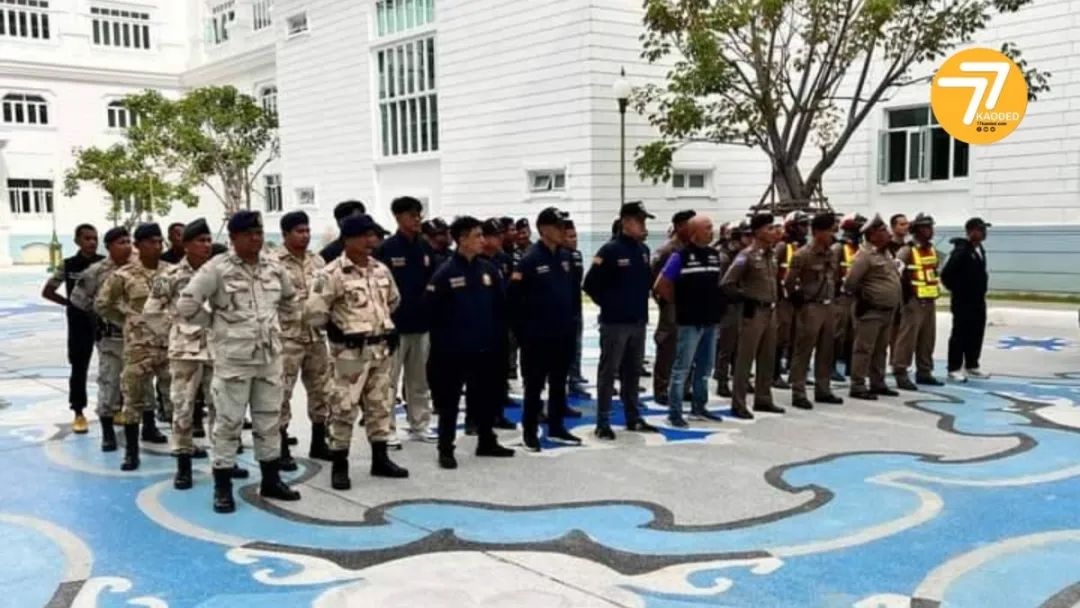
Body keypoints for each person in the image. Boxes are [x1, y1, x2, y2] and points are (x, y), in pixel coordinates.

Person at [177, 210, 301, 512]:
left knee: (269, 420)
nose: (256, 239)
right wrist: (216, 325)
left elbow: (290, 301)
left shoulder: (273, 267)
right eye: (248, 234)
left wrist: (276, 326)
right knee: (228, 423)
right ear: (233, 238)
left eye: (259, 233)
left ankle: (271, 480)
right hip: (234, 361)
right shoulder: (217, 268)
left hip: (269, 358)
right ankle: (222, 486)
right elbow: (187, 305)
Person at [305, 213, 410, 490]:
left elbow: (393, 301)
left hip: (380, 350)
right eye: (365, 235)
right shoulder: (331, 273)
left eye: (373, 235)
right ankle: (340, 465)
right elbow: (314, 313)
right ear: (348, 239)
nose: (371, 240)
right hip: (349, 355)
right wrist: (337, 328)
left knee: (380, 405)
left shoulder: (381, 270)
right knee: (343, 408)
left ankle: (380, 459)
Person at [143, 219, 250, 489]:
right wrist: (175, 332)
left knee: (223, 408)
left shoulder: (222, 272)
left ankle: (224, 461)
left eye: (208, 240)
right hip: (186, 353)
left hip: (219, 349)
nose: (206, 245)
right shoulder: (170, 276)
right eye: (200, 241)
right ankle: (183, 463)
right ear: (186, 245)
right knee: (183, 407)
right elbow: (151, 312)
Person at [426, 216, 517, 469]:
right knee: (450, 402)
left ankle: (486, 440)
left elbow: (501, 307)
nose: (482, 240)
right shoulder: (445, 272)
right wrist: (443, 345)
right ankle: (446, 448)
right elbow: (431, 311)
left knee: (486, 397)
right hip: (453, 351)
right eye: (477, 236)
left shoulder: (488, 270)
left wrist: (499, 342)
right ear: (462, 239)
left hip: (485, 348)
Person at [95, 223, 172, 471]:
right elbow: (103, 304)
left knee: (177, 399)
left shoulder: (172, 272)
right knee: (133, 400)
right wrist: (127, 320)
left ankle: (184, 447)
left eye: (160, 242)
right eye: (151, 242)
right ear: (138, 246)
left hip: (169, 346)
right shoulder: (123, 275)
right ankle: (131, 452)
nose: (157, 246)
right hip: (138, 348)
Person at [583, 201, 660, 439]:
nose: (643, 226)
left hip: (638, 321)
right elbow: (590, 284)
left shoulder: (643, 250)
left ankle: (633, 417)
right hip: (615, 323)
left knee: (633, 372)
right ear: (626, 222)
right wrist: (611, 304)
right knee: (609, 372)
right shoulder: (610, 250)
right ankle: (603, 421)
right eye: (639, 221)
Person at [508, 207, 582, 451]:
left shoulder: (566, 256)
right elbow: (514, 300)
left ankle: (557, 426)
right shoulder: (530, 259)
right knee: (534, 386)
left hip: (563, 333)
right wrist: (524, 335)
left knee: (559, 383)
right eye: (558, 227)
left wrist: (573, 323)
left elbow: (573, 293)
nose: (563, 231)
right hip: (537, 336)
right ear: (543, 229)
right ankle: (530, 432)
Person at [273, 211, 335, 468]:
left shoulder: (317, 261)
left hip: (315, 336)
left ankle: (319, 443)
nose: (305, 236)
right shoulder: (273, 262)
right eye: (299, 231)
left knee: (321, 390)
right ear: (285, 234)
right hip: (286, 338)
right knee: (281, 393)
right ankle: (281, 447)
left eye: (307, 230)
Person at [656, 215, 727, 426]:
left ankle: (699, 407)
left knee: (705, 368)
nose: (711, 231)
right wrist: (681, 303)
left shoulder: (715, 255)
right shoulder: (680, 256)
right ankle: (675, 412)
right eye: (707, 228)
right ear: (694, 232)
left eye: (712, 227)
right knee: (681, 369)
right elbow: (661, 285)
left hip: (710, 321)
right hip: (689, 322)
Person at [375, 196, 436, 445]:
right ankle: (386, 429)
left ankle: (420, 425)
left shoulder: (425, 248)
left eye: (419, 214)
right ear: (398, 217)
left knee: (419, 380)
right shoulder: (386, 250)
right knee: (388, 382)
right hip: (394, 328)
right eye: (412, 215)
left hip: (421, 325)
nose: (417, 219)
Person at [721, 213, 784, 419]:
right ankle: (738, 403)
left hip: (770, 310)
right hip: (753, 312)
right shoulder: (746, 255)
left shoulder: (771, 254)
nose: (773, 232)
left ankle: (763, 398)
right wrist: (744, 298)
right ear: (758, 231)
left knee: (767, 356)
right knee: (745, 359)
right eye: (769, 228)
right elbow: (727, 283)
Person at [41, 224, 103, 434]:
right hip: (79, 323)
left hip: (104, 322)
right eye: (87, 238)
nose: (92, 242)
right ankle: (78, 412)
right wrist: (70, 304)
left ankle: (116, 407)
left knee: (112, 366)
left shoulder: (105, 263)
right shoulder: (68, 265)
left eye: (94, 238)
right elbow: (48, 291)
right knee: (79, 368)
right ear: (77, 241)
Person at [70, 227, 128, 451]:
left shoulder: (137, 267)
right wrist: (99, 315)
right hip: (110, 337)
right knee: (109, 382)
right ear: (110, 246)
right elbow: (78, 299)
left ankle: (146, 426)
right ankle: (107, 432)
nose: (127, 246)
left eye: (129, 242)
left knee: (137, 385)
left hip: (136, 337)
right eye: (121, 242)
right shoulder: (96, 271)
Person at [785, 213, 844, 409]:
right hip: (810, 306)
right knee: (804, 350)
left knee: (827, 349)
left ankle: (823, 388)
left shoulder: (831, 253)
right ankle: (798, 391)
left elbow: (834, 278)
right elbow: (789, 281)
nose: (832, 235)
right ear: (817, 232)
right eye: (829, 231)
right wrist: (798, 300)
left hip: (829, 305)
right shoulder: (803, 254)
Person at [844, 214, 902, 400]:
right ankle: (858, 385)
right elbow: (850, 283)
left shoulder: (885, 253)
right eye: (883, 230)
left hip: (887, 310)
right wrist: (864, 298)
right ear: (872, 235)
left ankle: (878, 382)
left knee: (880, 349)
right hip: (870, 310)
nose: (888, 233)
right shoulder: (864, 256)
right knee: (864, 349)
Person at [891, 213, 944, 390]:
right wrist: (903, 297)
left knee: (927, 339)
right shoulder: (907, 250)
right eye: (925, 227)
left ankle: (924, 371)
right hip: (913, 301)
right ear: (916, 230)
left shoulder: (932, 250)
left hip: (929, 300)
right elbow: (894, 274)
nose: (930, 231)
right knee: (907, 339)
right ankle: (900, 372)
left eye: (930, 227)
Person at [650, 209, 696, 405]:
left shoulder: (691, 249)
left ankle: (683, 387)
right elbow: (655, 280)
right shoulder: (668, 251)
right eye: (690, 224)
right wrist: (667, 301)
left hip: (689, 305)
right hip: (672, 305)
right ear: (679, 226)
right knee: (668, 347)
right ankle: (662, 388)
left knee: (687, 347)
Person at [940, 217, 992, 382]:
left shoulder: (979, 249)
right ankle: (954, 368)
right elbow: (946, 274)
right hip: (963, 301)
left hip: (978, 299)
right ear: (970, 231)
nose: (984, 232)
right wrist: (958, 290)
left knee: (976, 332)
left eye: (984, 229)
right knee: (960, 333)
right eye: (980, 229)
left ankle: (972, 364)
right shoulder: (961, 250)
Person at [479, 218, 519, 430]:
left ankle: (498, 412)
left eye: (500, 234)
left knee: (500, 370)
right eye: (494, 235)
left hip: (502, 321)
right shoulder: (476, 260)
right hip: (481, 323)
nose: (500, 238)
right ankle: (475, 418)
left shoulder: (504, 259)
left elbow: (512, 288)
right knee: (479, 375)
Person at [774, 211, 810, 389]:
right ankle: (774, 374)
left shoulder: (805, 247)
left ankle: (795, 373)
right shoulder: (782, 246)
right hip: (784, 299)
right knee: (781, 337)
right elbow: (774, 272)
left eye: (806, 225)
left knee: (799, 337)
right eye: (802, 225)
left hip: (800, 298)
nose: (805, 229)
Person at [713, 221, 746, 397]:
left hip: (740, 303)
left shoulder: (741, 254)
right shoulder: (724, 256)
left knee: (740, 345)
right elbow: (724, 284)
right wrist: (742, 293)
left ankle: (737, 378)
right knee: (726, 345)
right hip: (728, 305)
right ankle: (722, 380)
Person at [832, 213, 866, 380]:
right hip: (841, 297)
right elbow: (832, 273)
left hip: (855, 296)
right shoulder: (839, 248)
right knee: (837, 333)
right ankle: (830, 366)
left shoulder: (859, 248)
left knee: (853, 333)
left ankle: (850, 366)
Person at [564, 219, 591, 401]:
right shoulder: (560, 256)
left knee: (577, 344)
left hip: (576, 305)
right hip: (562, 308)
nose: (574, 240)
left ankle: (575, 376)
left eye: (575, 236)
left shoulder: (577, 255)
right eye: (570, 237)